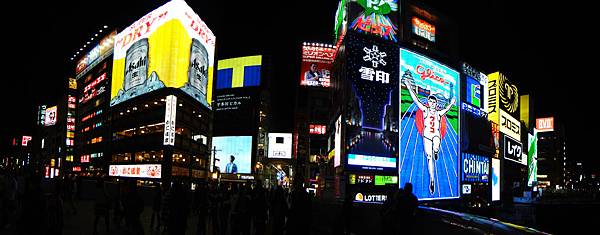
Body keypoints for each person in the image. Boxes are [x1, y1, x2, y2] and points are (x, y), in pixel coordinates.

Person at [404, 74, 455, 195]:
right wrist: (408, 87)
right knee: (429, 158)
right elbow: (416, 100)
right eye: (430, 101)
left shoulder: (438, 113)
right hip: (426, 136)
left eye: (434, 102)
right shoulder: (425, 110)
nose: (432, 103)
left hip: (436, 135)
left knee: (436, 146)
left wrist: (452, 103)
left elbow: (446, 109)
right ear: (428, 102)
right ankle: (432, 180)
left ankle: (436, 151)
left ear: (436, 103)